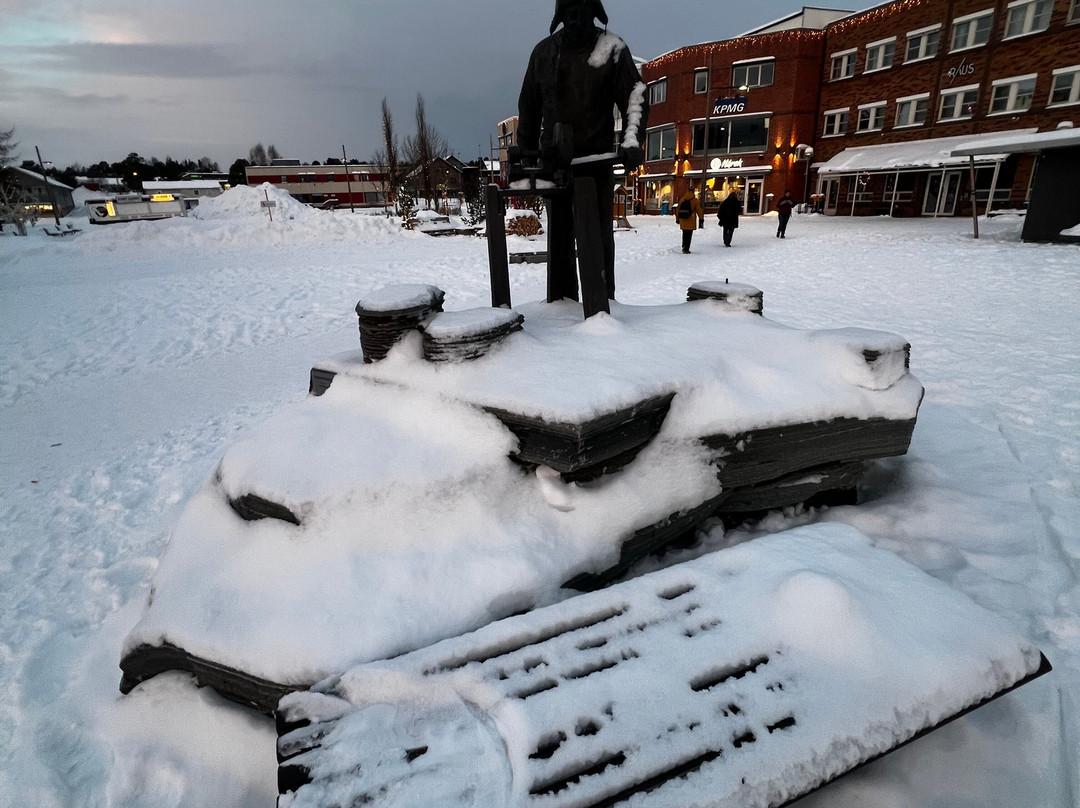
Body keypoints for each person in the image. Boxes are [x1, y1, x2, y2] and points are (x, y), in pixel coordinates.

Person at [517, 0, 648, 311]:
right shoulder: (544, 53)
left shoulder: (612, 49)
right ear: (560, 16)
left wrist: (632, 139)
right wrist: (524, 154)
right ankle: (560, 308)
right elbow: (529, 108)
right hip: (555, 165)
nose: (575, 21)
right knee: (560, 242)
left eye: (582, 14)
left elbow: (634, 95)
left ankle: (603, 308)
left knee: (597, 241)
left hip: (596, 164)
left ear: (594, 14)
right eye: (569, 14)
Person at [674, 187, 703, 253]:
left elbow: (678, 209)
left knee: (684, 233)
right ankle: (686, 248)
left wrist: (677, 219)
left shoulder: (682, 199)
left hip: (683, 219)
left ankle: (684, 246)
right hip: (691, 218)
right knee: (689, 234)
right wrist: (701, 218)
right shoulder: (695, 200)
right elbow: (698, 210)